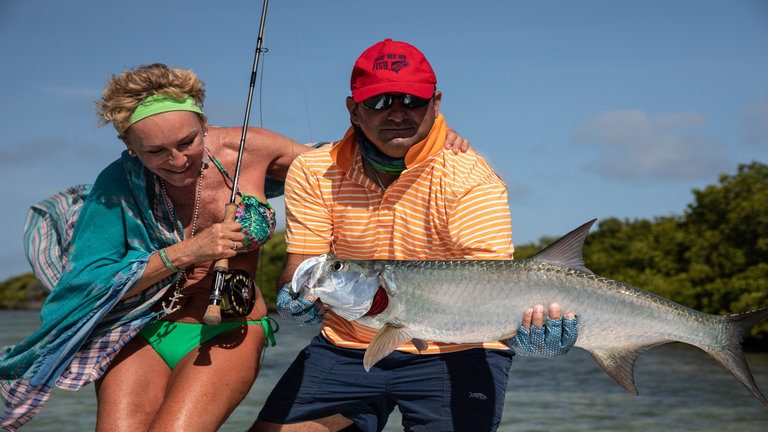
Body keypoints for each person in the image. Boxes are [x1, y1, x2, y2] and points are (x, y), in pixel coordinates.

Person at [0, 62, 470, 431]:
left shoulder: (257, 150)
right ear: (128, 145)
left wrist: (426, 139)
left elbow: (355, 161)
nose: (178, 159)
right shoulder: (116, 186)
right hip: (142, 330)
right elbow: (90, 284)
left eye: (188, 141)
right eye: (155, 153)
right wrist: (193, 249)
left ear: (204, 121)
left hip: (232, 328)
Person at [252, 39, 579, 432]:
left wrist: (521, 331)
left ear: (435, 104)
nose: (397, 114)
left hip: (460, 350)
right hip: (347, 346)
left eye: (411, 100)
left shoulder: (472, 177)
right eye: (379, 102)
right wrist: (295, 294)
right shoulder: (312, 171)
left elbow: (486, 287)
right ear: (353, 109)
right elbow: (300, 267)